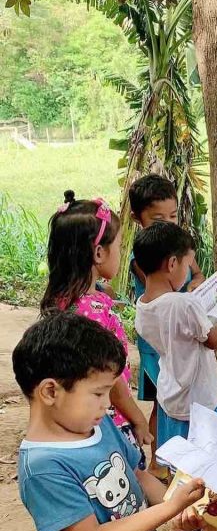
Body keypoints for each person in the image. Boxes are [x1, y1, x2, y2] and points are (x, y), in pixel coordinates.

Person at [13, 312, 205, 531]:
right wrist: (170, 508)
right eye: (99, 393)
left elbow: (137, 476)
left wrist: (179, 503)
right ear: (50, 392)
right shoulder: (43, 467)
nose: (108, 405)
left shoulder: (99, 427)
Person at [133, 220, 217, 531]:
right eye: (187, 263)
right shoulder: (182, 305)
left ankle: (185, 519)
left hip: (172, 395)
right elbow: (213, 338)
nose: (189, 270)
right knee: (210, 469)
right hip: (200, 397)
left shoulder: (145, 305)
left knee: (186, 466)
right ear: (172, 264)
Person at [41, 191, 151, 468]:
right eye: (119, 246)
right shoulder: (94, 314)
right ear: (99, 253)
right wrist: (137, 417)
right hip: (109, 423)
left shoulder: (65, 300)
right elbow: (111, 380)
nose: (122, 253)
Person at [128, 173, 205, 480]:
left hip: (183, 332)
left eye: (172, 216)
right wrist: (185, 299)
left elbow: (196, 274)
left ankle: (163, 457)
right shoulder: (143, 256)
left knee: (169, 399)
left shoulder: (178, 245)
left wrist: (195, 287)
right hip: (159, 340)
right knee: (167, 397)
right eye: (157, 218)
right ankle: (160, 460)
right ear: (138, 218)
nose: (167, 224)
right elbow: (161, 291)